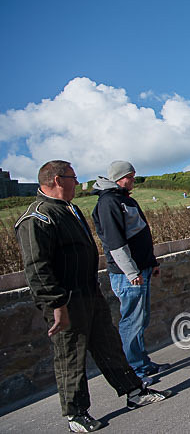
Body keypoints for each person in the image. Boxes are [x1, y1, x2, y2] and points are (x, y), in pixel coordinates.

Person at [15, 160, 171, 433]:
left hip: (89, 293)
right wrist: (56, 305)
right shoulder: (37, 218)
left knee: (108, 344)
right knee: (70, 355)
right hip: (66, 299)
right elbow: (37, 269)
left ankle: (134, 392)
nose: (77, 182)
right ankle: (76, 413)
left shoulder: (70, 210)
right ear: (56, 180)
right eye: (72, 178)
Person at [91, 161, 168, 385]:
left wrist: (151, 261)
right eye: (130, 177)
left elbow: (141, 232)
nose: (133, 181)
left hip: (140, 269)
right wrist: (131, 271)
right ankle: (134, 370)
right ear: (118, 177)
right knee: (132, 321)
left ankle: (141, 363)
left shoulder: (125, 198)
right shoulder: (108, 203)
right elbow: (115, 243)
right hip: (128, 274)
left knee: (140, 318)